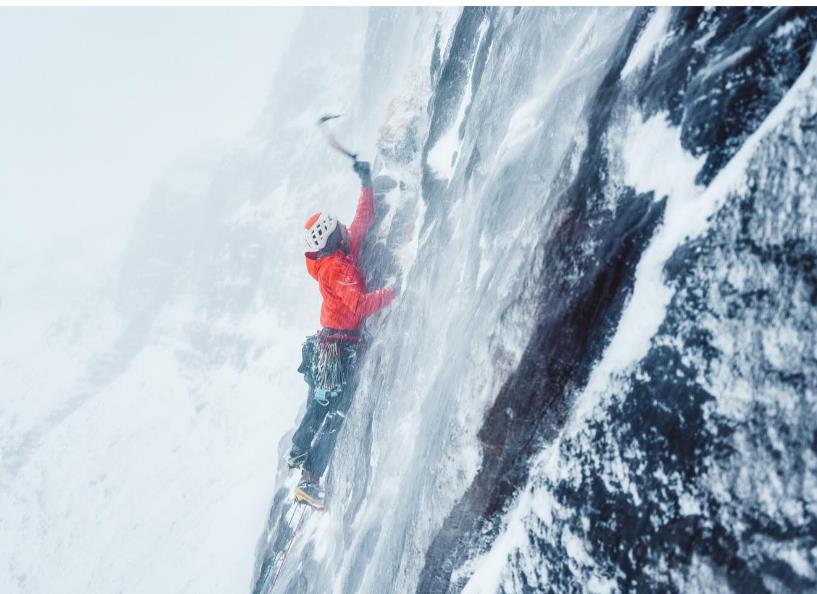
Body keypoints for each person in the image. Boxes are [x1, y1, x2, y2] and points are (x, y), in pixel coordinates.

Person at [289, 160, 396, 509]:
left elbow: (362, 220)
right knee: (336, 413)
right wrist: (394, 293)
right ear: (332, 236)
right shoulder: (336, 268)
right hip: (339, 348)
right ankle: (310, 479)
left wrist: (366, 183)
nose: (344, 229)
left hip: (328, 345)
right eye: (338, 228)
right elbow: (359, 307)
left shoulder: (339, 253)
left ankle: (298, 451)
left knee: (320, 405)